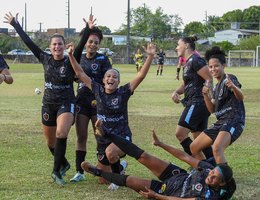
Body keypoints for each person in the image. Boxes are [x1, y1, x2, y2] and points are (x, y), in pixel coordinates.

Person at [4, 12, 92, 185]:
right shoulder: (44, 58)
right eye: (54, 44)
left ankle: (55, 171)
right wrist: (15, 24)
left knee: (61, 132)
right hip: (48, 104)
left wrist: (88, 30)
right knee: (51, 142)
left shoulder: (70, 60)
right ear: (50, 47)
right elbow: (29, 42)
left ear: (63, 46)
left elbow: (80, 47)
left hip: (66, 103)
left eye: (60, 44)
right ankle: (64, 163)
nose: (57, 47)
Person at [67, 41, 156, 189]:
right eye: (108, 76)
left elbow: (140, 75)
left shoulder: (123, 92)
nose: (111, 79)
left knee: (111, 152)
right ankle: (120, 167)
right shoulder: (97, 90)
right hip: (104, 139)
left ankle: (118, 180)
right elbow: (80, 73)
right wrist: (70, 55)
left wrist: (150, 56)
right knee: (102, 178)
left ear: (118, 81)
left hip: (122, 137)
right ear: (103, 80)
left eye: (114, 77)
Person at [81, 121, 236, 200]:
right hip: (177, 175)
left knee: (131, 181)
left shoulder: (210, 197)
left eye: (215, 177)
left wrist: (156, 196)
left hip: (167, 189)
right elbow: (184, 156)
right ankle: (106, 133)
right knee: (144, 156)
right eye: (213, 172)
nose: (211, 175)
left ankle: (97, 172)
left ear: (221, 184)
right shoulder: (208, 169)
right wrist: (161, 144)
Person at [69, 23, 112, 183]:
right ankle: (79, 172)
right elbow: (73, 76)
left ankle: (108, 165)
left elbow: (108, 79)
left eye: (96, 42)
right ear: (85, 42)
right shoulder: (78, 56)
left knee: (99, 136)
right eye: (90, 41)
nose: (93, 44)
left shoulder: (103, 59)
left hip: (97, 103)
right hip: (81, 101)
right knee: (81, 136)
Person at [190, 46, 245, 165]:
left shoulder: (229, 78)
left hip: (233, 120)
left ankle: (225, 180)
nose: (213, 69)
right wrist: (205, 95)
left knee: (217, 148)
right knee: (194, 147)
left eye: (216, 66)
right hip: (220, 122)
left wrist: (234, 87)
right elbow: (212, 110)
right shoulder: (216, 87)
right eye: (210, 67)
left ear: (223, 65)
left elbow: (240, 97)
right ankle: (206, 172)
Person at [171, 35, 214, 163]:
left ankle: (197, 164)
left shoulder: (196, 60)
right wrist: (177, 92)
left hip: (198, 102)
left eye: (178, 44)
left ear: (187, 45)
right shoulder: (188, 62)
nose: (176, 47)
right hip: (196, 103)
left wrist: (206, 91)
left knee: (180, 133)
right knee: (199, 139)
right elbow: (187, 83)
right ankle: (215, 165)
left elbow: (209, 78)